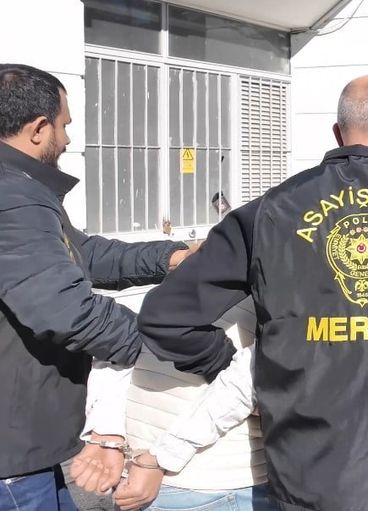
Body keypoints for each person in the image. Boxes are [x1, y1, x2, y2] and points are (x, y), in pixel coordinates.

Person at [135, 73, 368, 511]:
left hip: (311, 477)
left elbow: (165, 317)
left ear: (338, 134)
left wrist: (244, 367)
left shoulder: (266, 213)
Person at [0, 64, 194, 511]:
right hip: (12, 453)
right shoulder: (14, 197)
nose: (68, 139)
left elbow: (81, 252)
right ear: (38, 129)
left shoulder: (21, 192)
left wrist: (172, 257)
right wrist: (166, 342)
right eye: (64, 125)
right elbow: (64, 310)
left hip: (28, 447)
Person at [69, 298, 276, 511]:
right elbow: (252, 375)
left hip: (168, 471)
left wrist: (108, 433)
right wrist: (114, 436)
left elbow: (115, 342)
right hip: (190, 474)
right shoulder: (271, 284)